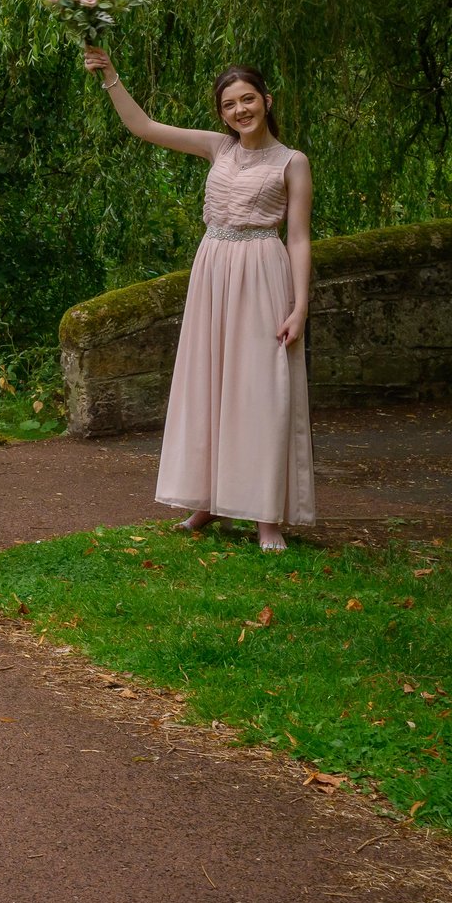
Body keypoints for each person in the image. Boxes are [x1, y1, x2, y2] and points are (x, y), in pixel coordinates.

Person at [84, 48, 314, 550]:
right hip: (212, 268)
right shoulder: (218, 149)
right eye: (229, 104)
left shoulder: (292, 162)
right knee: (208, 381)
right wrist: (110, 76)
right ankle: (207, 502)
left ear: (267, 100)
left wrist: (299, 306)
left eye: (248, 99)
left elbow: (298, 237)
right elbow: (144, 127)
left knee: (261, 391)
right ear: (221, 113)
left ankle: (265, 516)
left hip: (262, 270)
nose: (240, 111)